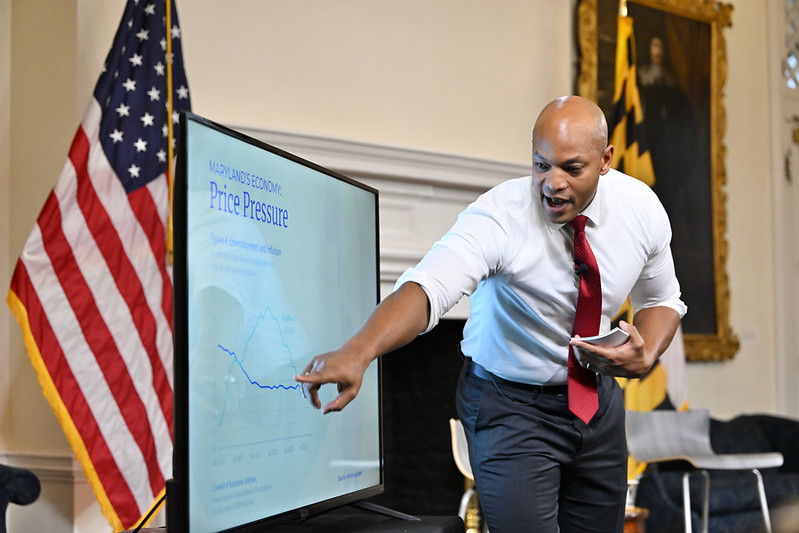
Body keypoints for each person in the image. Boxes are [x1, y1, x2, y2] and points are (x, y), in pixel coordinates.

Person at [295, 95, 686, 533]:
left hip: (596, 402)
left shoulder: (640, 209)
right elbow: (428, 288)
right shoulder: (499, 217)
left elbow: (662, 298)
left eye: (571, 168)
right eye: (541, 165)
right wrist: (359, 350)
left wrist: (647, 352)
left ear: (606, 160)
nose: (552, 183)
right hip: (510, 405)